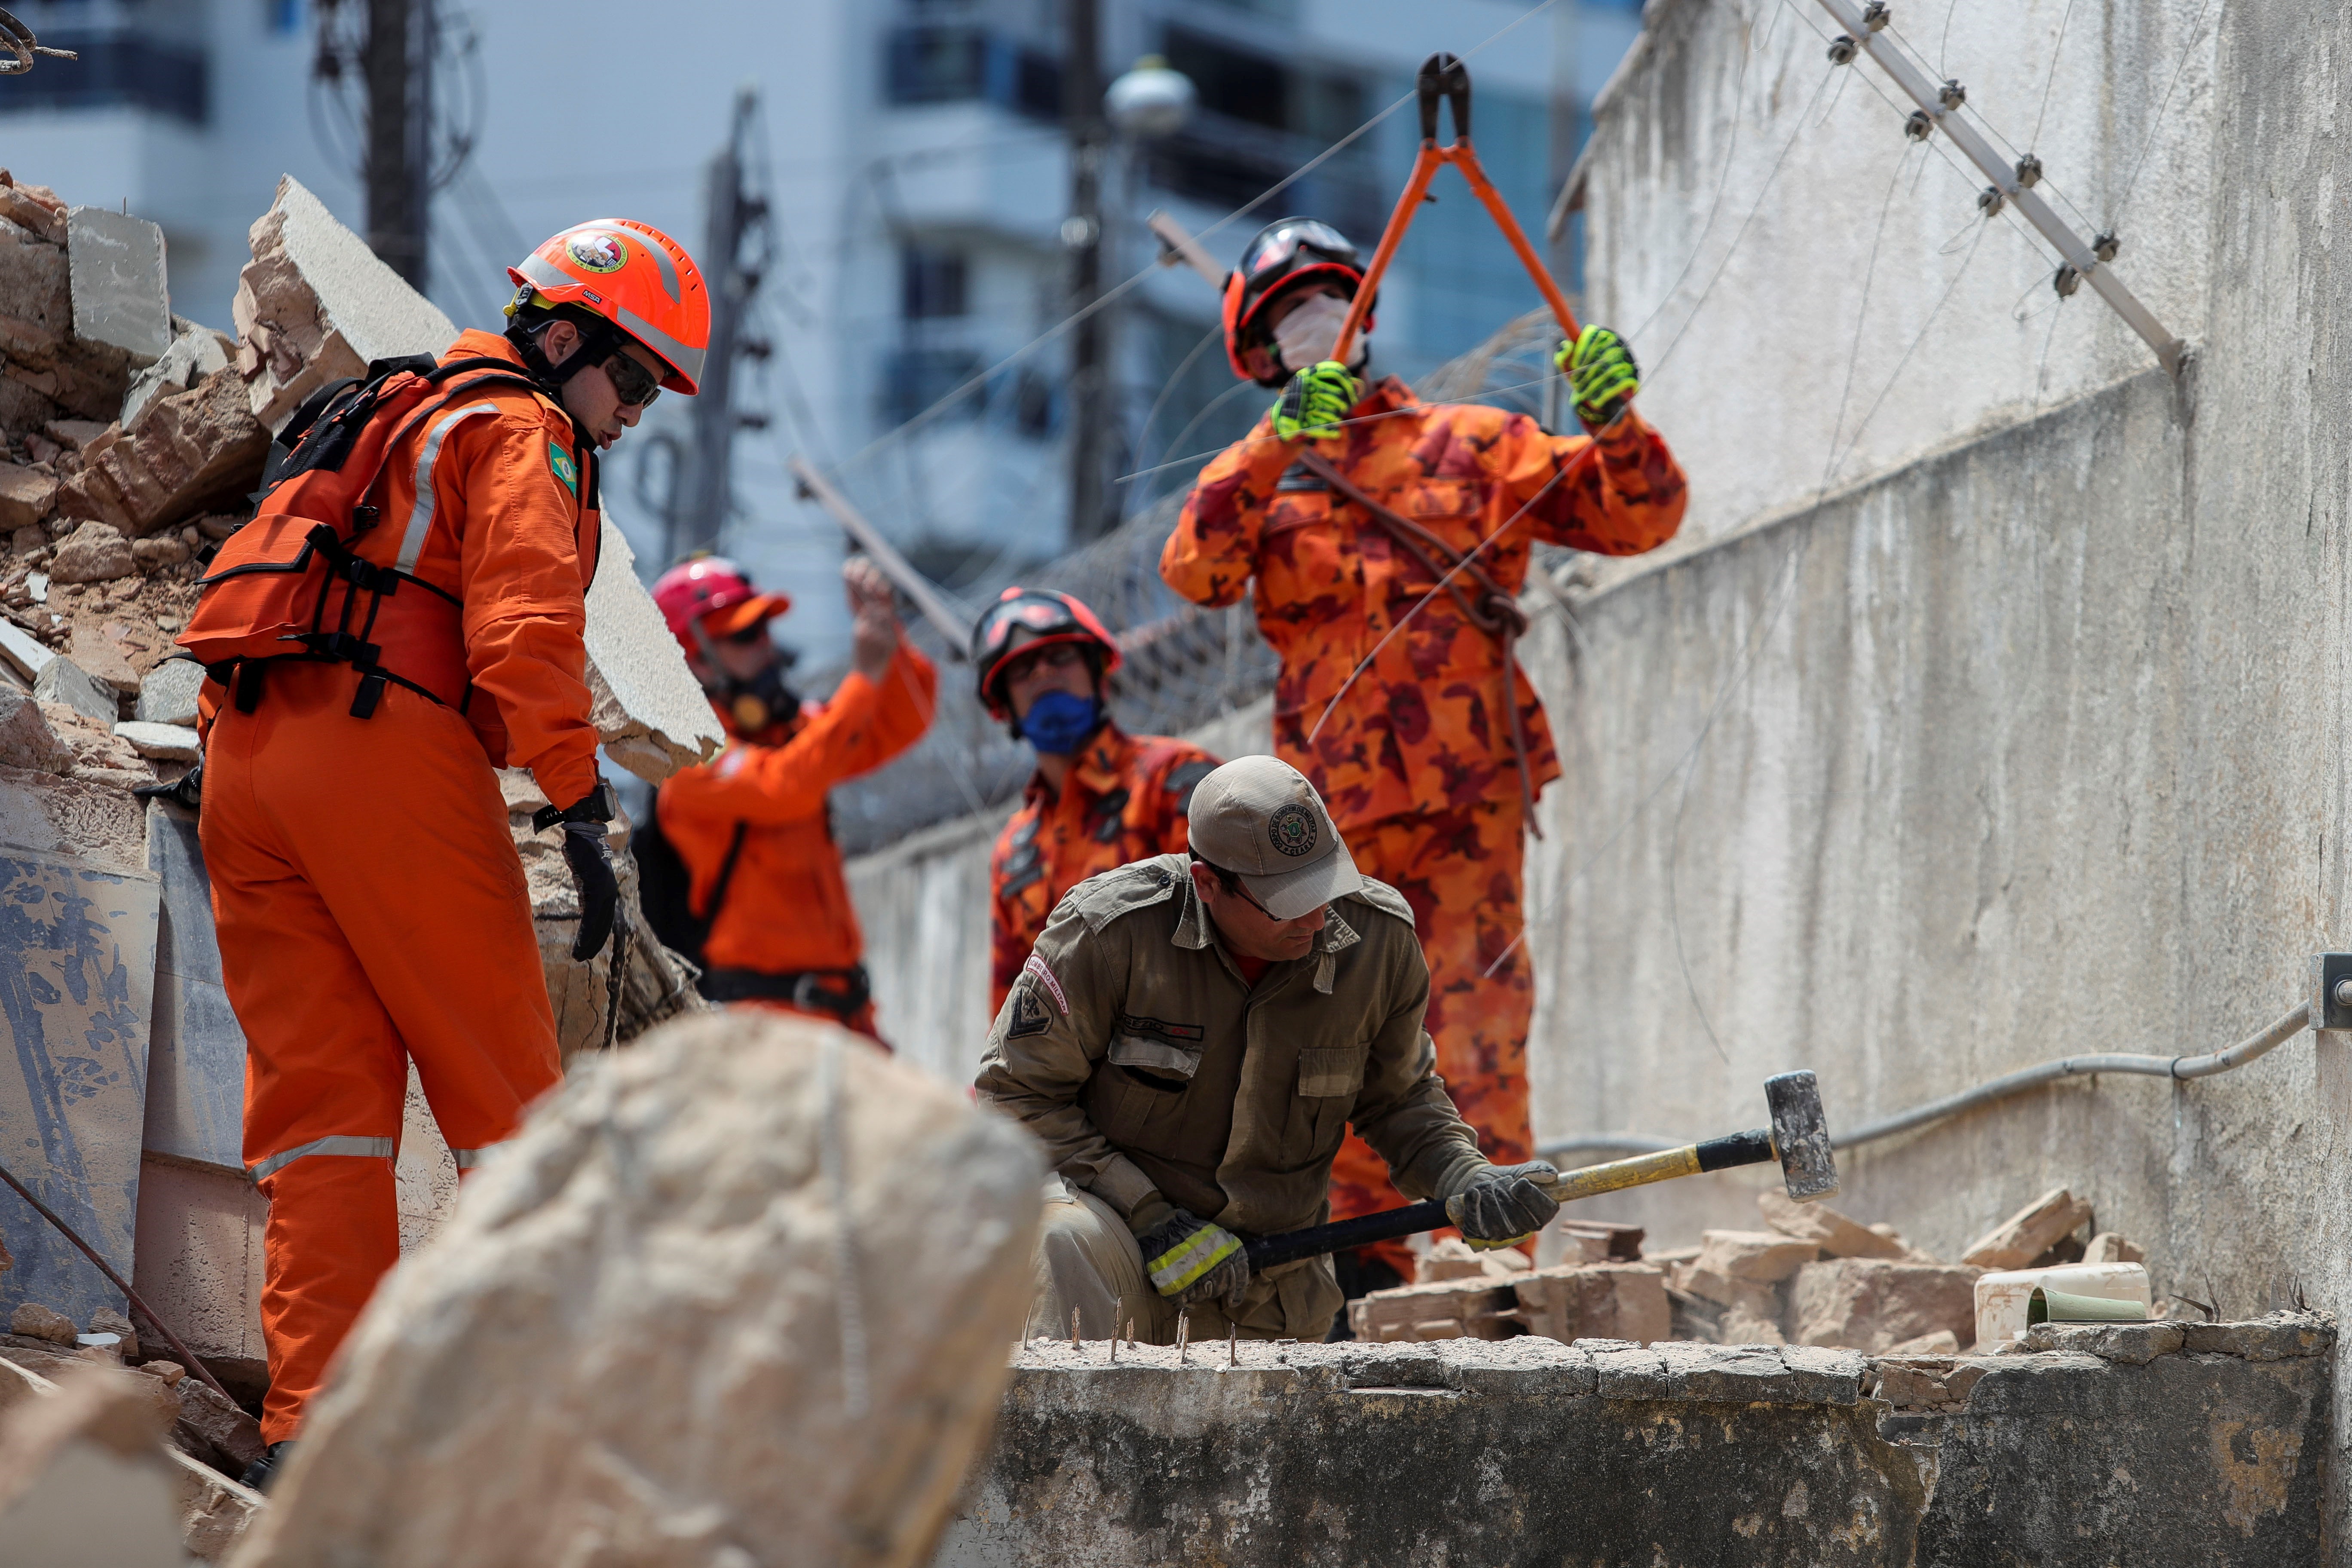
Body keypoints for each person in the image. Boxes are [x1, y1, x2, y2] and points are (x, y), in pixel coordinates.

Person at [184, 218, 709, 1484]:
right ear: (567, 333)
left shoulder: (398, 404)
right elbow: (524, 628)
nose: (635, 415)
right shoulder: (523, 426)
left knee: (324, 1120)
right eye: (633, 380)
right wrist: (582, 810)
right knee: (512, 1102)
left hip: (246, 756)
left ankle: (317, 1430)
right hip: (379, 750)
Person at [1158, 217, 1688, 1297]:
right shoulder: (1259, 482)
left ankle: (1481, 1268)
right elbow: (1192, 571)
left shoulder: (1477, 444)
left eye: (1331, 298)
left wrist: (1612, 419)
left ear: (1365, 315)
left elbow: (1640, 516)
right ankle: (1358, 1273)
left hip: (1465, 800)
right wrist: (1273, 444)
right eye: (1285, 314)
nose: (1315, 321)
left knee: (1474, 1028)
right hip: (1322, 832)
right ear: (1259, 356)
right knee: (1329, 1036)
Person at [974, 755, 1562, 1342]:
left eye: (1325, 885)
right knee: (1059, 1241)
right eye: (1286, 901)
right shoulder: (1110, 937)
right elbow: (1014, 1097)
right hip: (1121, 1250)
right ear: (1207, 884)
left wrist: (1466, 1177)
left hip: (1268, 1277)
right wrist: (1152, 1217)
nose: (1315, 918)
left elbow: (1400, 1100)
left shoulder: (1379, 945)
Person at [650, 553, 935, 1038]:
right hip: (766, 1025)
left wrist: (890, 636)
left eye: (764, 629)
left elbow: (905, 719)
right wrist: (864, 677)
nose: (768, 645)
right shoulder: (684, 761)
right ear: (692, 658)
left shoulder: (786, 735)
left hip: (846, 1017)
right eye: (745, 635)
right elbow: (788, 788)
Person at [975, 587, 1221, 1017]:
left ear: (1097, 670)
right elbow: (1011, 1014)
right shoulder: (1013, 852)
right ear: (1003, 708)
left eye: (1061, 657)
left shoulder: (1171, 779)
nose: (1044, 673)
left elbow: (1237, 934)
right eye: (1023, 669)